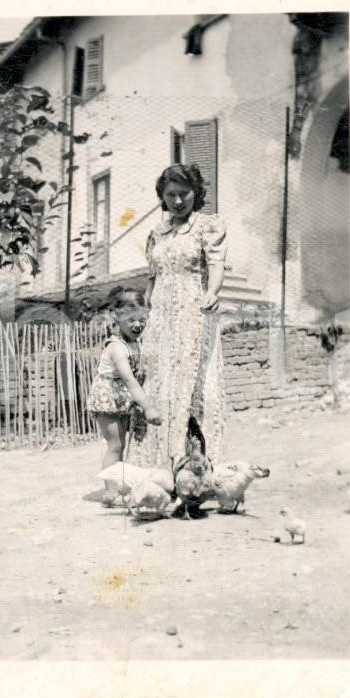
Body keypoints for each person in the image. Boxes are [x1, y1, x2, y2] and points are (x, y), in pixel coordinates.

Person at [126, 163, 229, 471]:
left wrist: (213, 292)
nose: (178, 201)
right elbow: (153, 277)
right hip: (160, 318)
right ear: (163, 196)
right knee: (159, 381)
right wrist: (144, 311)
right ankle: (157, 467)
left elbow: (216, 264)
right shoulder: (156, 233)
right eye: (171, 194)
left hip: (192, 313)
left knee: (188, 383)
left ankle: (193, 466)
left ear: (195, 193)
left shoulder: (207, 226)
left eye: (184, 193)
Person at [87, 296, 162, 473]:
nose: (137, 325)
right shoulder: (117, 348)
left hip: (120, 399)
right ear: (117, 318)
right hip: (107, 398)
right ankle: (111, 492)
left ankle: (119, 485)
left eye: (142, 319)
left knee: (121, 445)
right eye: (131, 320)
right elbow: (129, 380)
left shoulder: (134, 343)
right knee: (115, 445)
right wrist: (148, 407)